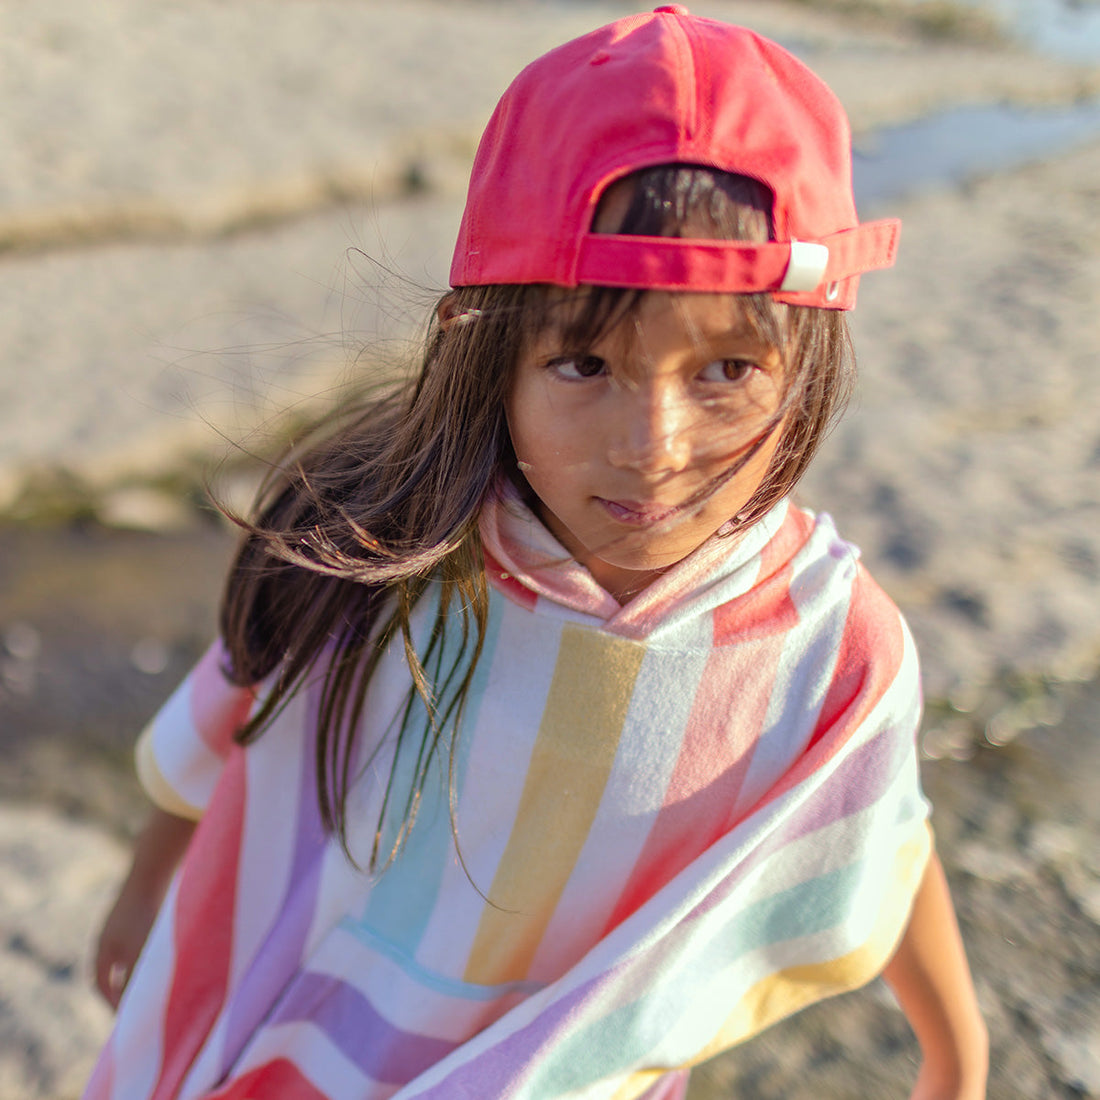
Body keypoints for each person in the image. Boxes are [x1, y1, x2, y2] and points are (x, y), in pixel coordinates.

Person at [86, 7, 987, 1099]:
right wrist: (148, 880)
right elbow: (239, 707)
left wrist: (954, 1046)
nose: (648, 446)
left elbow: (876, 819)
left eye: (725, 371)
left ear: (808, 365)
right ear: (492, 352)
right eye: (582, 363)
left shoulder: (825, 650)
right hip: (290, 1048)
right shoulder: (387, 544)